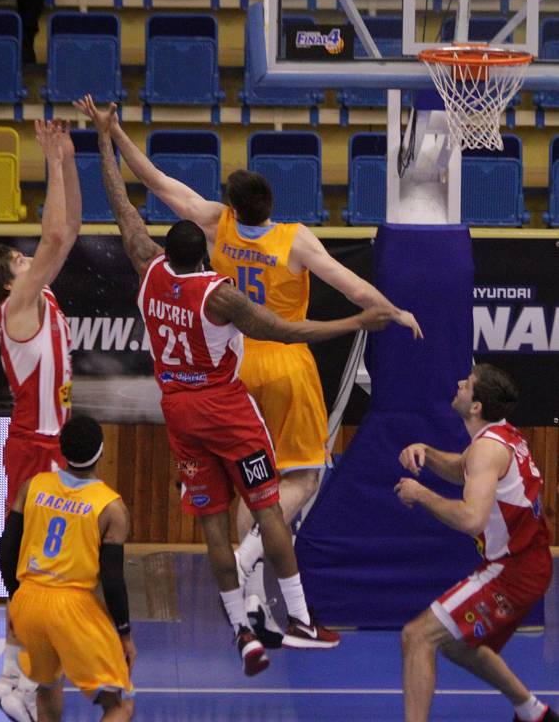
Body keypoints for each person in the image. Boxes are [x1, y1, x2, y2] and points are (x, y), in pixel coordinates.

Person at [73, 94, 423, 647]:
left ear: (233, 205)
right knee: (304, 478)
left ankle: (254, 599)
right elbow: (347, 285)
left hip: (232, 367)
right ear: (271, 202)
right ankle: (254, 559)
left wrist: (113, 134)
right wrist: (390, 310)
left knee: (246, 489)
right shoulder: (296, 239)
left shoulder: (218, 226)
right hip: (283, 362)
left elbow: (159, 185)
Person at [0, 120, 81, 722]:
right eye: (21, 258)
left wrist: (66, 161)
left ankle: (17, 676)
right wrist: (50, 160)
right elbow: (56, 232)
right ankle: (14, 675)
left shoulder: (40, 298)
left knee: (47, 572)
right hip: (35, 447)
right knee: (38, 572)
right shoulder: (17, 307)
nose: (30, 257)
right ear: (9, 280)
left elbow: (67, 235)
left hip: (51, 447)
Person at [395, 364, 556, 722]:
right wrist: (427, 451)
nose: (458, 384)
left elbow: (471, 519)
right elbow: (461, 468)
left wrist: (421, 493)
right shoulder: (499, 436)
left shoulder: (486, 451)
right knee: (458, 643)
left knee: (416, 636)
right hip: (527, 563)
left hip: (512, 571)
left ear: (476, 406)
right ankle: (533, 712)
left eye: (466, 384)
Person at [0, 415, 135, 722]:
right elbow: (112, 580)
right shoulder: (111, 506)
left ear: (61, 449)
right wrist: (124, 634)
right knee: (119, 705)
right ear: (101, 451)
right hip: (72, 606)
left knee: (47, 687)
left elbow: (5, 552)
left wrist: (16, 601)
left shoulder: (32, 486)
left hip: (29, 602)